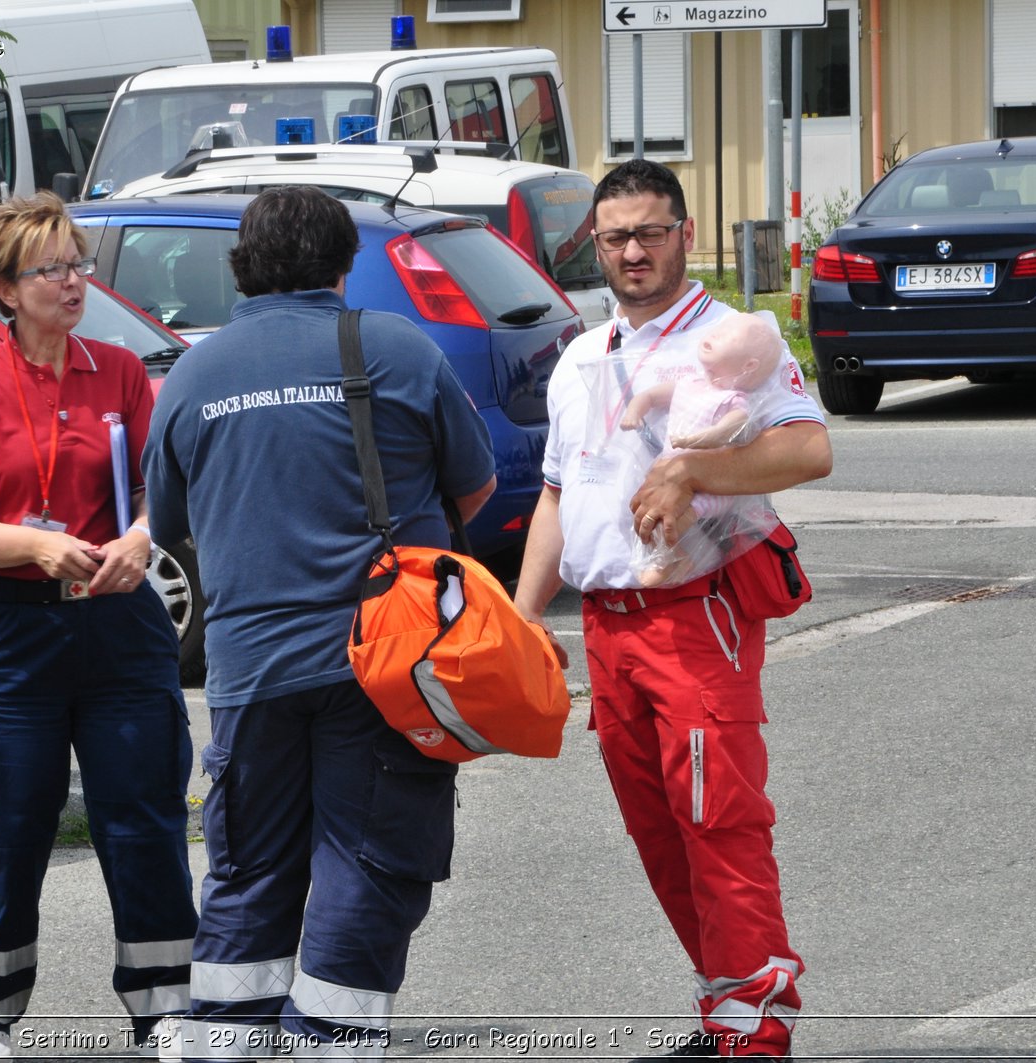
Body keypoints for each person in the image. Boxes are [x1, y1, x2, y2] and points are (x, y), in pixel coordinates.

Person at [141, 185, 496, 1062]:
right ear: (347, 264)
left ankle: (227, 1041)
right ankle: (326, 1044)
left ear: (242, 266)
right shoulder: (399, 352)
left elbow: (166, 518)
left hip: (247, 671)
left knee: (249, 868)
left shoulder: (193, 372)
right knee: (368, 858)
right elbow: (476, 487)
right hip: (381, 666)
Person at [513, 160, 832, 1061]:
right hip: (608, 625)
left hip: (697, 618)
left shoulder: (730, 338)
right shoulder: (581, 355)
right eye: (615, 236)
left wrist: (695, 470)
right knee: (659, 830)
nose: (633, 251)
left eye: (651, 231)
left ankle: (758, 1034)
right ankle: (724, 1011)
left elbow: (809, 450)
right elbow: (554, 494)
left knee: (718, 823)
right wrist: (522, 615)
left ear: (685, 234)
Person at [0, 192, 197, 1061]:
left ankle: (164, 1006)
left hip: (119, 624)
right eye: (52, 269)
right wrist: (30, 549)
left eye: (79, 264)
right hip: (11, 630)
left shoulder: (117, 372)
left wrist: (140, 539)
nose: (74, 281)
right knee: (7, 822)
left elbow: (163, 490)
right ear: (5, 287)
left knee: (142, 816)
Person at [615, 312, 787, 587]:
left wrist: (700, 439)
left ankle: (676, 557)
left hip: (710, 486)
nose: (713, 336)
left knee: (671, 517)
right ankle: (675, 555)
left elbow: (732, 426)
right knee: (646, 509)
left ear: (748, 365)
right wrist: (635, 411)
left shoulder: (734, 399)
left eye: (726, 337)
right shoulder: (691, 383)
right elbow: (649, 396)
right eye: (716, 332)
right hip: (670, 473)